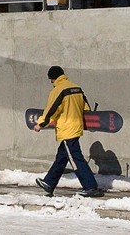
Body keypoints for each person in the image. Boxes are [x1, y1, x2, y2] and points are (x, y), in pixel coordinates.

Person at [32, 65, 103, 197]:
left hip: (67, 129)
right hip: (76, 126)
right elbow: (86, 107)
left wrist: (40, 124)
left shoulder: (58, 90)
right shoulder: (77, 88)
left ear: (53, 78)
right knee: (61, 158)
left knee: (76, 158)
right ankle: (49, 182)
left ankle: (90, 187)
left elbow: (51, 110)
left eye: (51, 80)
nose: (51, 82)